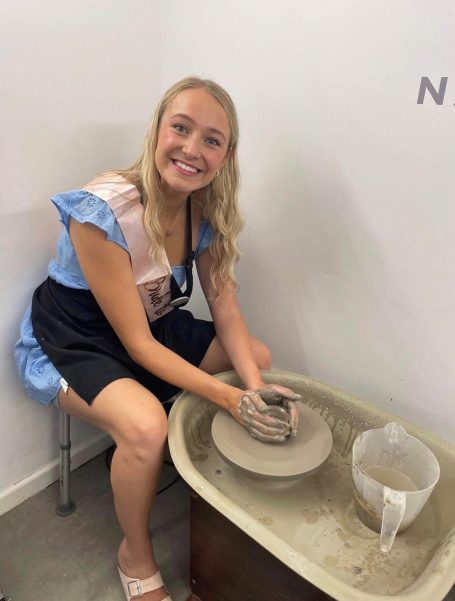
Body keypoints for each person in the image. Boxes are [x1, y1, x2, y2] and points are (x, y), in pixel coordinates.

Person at [15, 77, 301, 601]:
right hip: (75, 332)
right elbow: (138, 347)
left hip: (148, 320)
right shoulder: (102, 211)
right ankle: (135, 554)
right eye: (181, 128)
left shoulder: (204, 212)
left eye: (211, 139)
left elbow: (225, 308)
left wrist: (254, 388)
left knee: (254, 358)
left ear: (226, 155)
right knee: (147, 426)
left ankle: (160, 461)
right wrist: (230, 400)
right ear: (157, 131)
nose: (192, 149)